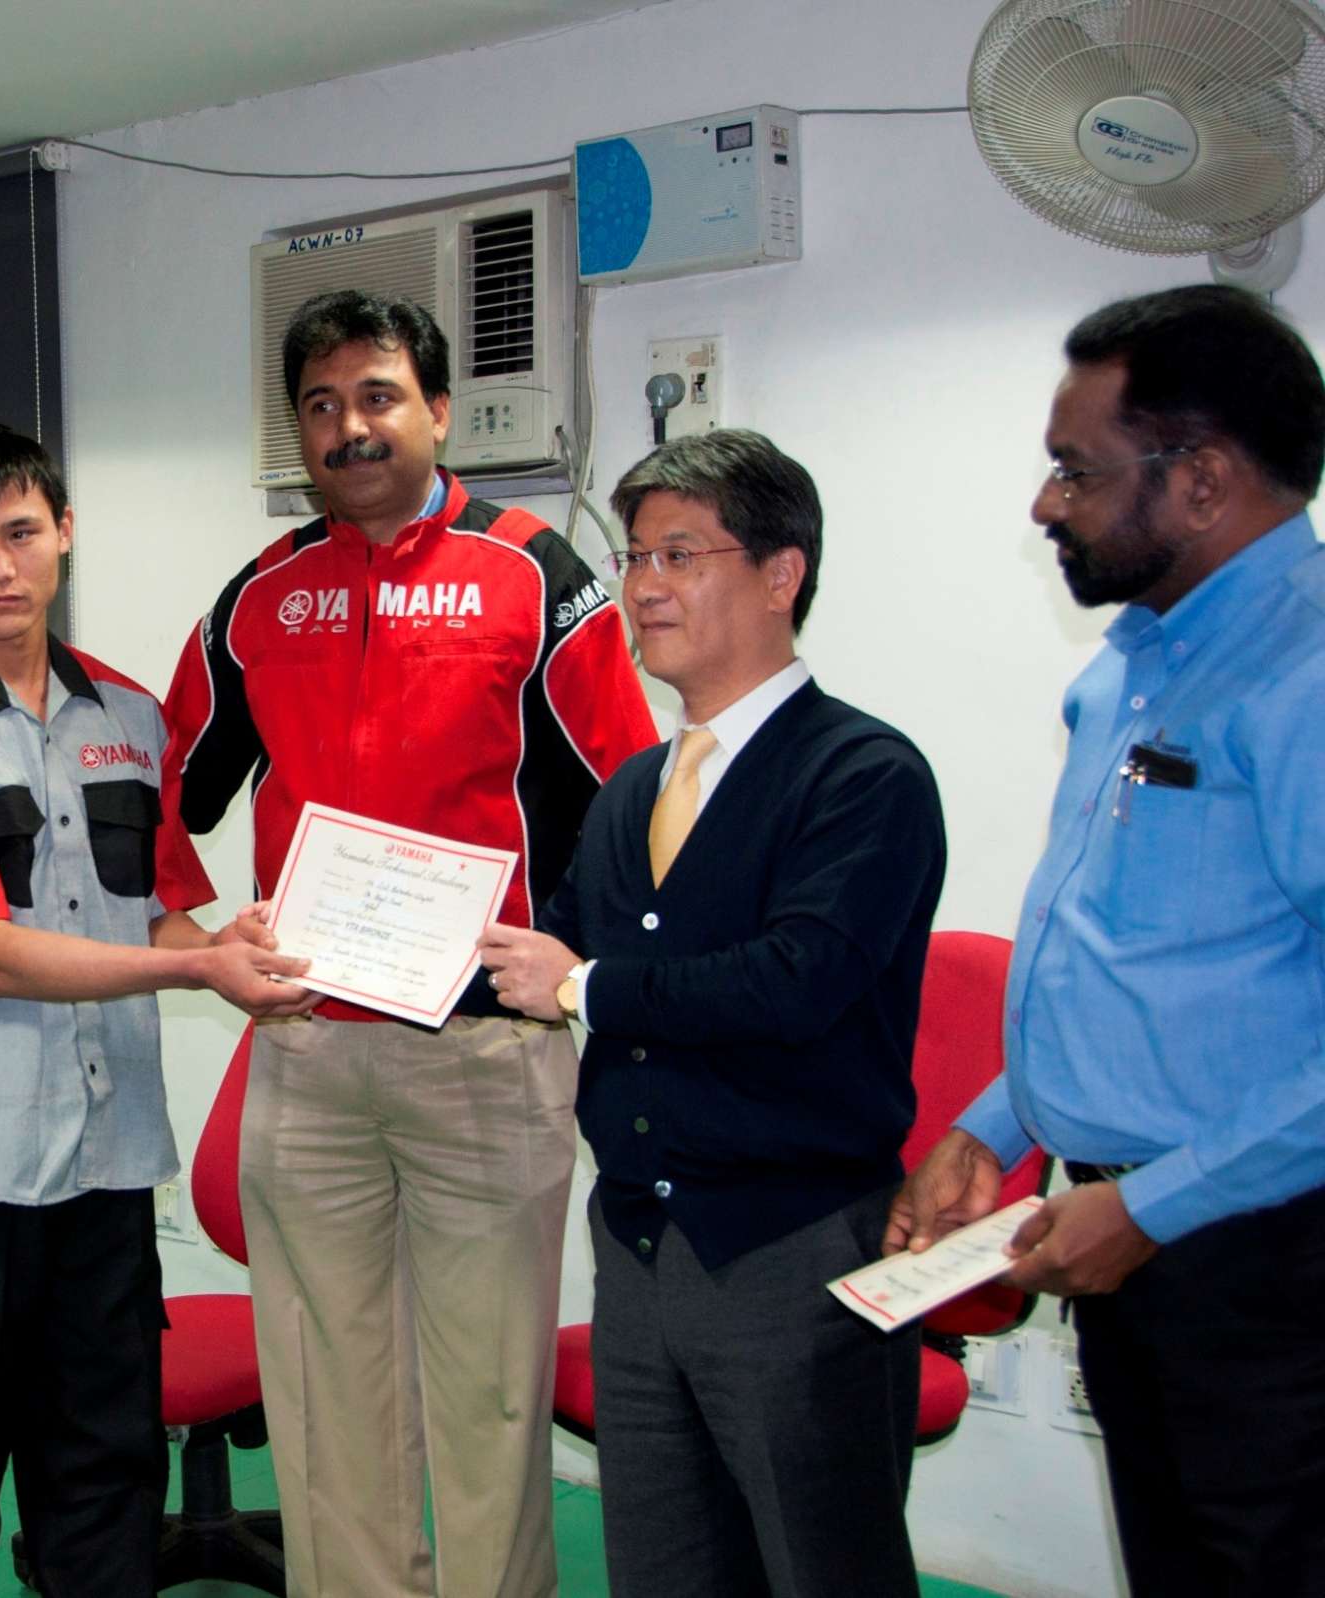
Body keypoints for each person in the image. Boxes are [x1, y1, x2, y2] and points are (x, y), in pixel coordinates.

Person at [163, 289, 656, 1598]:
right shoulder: (259, 597)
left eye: (378, 396)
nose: (350, 426)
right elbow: (157, 790)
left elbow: (636, 802)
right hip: (310, 1050)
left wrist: (568, 969)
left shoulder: (534, 573)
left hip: (485, 1058)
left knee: (492, 1398)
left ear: (440, 411)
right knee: (326, 1400)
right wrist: (201, 935)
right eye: (320, 405)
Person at [886, 284, 1325, 1595]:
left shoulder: (1303, 677)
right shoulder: (1133, 659)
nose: (1043, 504)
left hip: (1266, 1255)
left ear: (1200, 479)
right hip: (1125, 1228)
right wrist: (1000, 1123)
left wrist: (1149, 1202)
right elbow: (1119, 954)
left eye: (1074, 471)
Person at [0, 423, 314, 1598]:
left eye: (19, 532)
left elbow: (154, 912)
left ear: (63, 534)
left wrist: (232, 946)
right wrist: (197, 973)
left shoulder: (133, 718)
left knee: (102, 1479)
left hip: (104, 1171)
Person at [479, 428, 946, 1597]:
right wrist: (362, 929)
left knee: (821, 1564)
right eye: (635, 557)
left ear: (782, 572)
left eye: (680, 553)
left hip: (793, 1249)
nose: (642, 587)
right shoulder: (638, 783)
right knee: (666, 1570)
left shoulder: (863, 774)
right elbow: (554, 938)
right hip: (639, 1244)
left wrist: (578, 984)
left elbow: (795, 981)